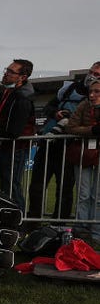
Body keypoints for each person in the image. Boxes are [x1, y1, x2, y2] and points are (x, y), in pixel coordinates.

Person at [28, 62, 99, 222]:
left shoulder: (94, 99)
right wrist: (56, 113)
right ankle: (32, 223)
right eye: (91, 72)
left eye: (97, 75)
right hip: (49, 143)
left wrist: (74, 124)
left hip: (71, 147)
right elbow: (48, 107)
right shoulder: (69, 88)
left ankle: (59, 225)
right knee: (36, 186)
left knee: (65, 189)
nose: (92, 76)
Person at [0, 59, 36, 212]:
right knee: (7, 185)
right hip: (8, 147)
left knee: (12, 185)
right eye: (7, 69)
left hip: (16, 148)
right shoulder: (10, 92)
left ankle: (19, 222)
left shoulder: (22, 97)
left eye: (12, 72)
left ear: (22, 77)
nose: (6, 73)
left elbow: (13, 131)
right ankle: (10, 221)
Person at [66, 80, 100, 243]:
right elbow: (71, 127)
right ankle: (80, 230)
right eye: (91, 91)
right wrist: (91, 130)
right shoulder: (84, 105)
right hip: (83, 154)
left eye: (97, 91)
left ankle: (96, 232)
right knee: (83, 194)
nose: (92, 95)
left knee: (98, 196)